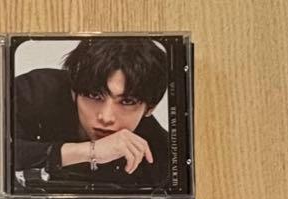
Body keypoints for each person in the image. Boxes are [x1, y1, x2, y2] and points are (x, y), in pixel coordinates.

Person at [12, 37, 170, 190]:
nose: (106, 118)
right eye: (95, 96)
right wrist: (89, 151)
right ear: (73, 92)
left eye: (127, 101)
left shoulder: (163, 157)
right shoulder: (34, 91)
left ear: (150, 108)